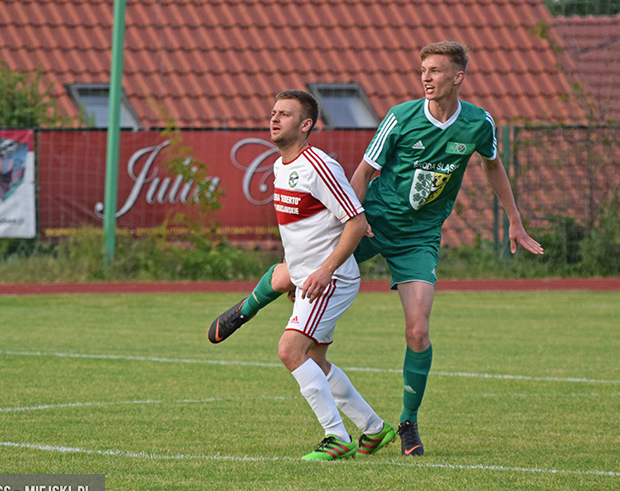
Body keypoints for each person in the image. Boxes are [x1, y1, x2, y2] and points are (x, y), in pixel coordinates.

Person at [209, 41, 544, 456]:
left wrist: (514, 220)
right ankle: (246, 308)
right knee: (298, 272)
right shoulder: (401, 117)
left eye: (436, 70)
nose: (426, 77)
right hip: (374, 223)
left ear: (458, 77)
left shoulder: (478, 123)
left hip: (419, 238)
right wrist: (347, 220)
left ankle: (406, 424)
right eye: (423, 69)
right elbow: (365, 170)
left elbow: (493, 166)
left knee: (418, 331)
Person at [237, 89, 396, 460]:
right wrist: (298, 275)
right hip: (309, 279)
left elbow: (357, 224)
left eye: (286, 114)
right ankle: (374, 429)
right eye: (274, 112)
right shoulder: (280, 167)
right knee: (316, 360)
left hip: (332, 279)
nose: (275, 119)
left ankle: (336, 437)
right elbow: (302, 234)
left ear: (306, 125)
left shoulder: (319, 165)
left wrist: (324, 271)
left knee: (290, 350)